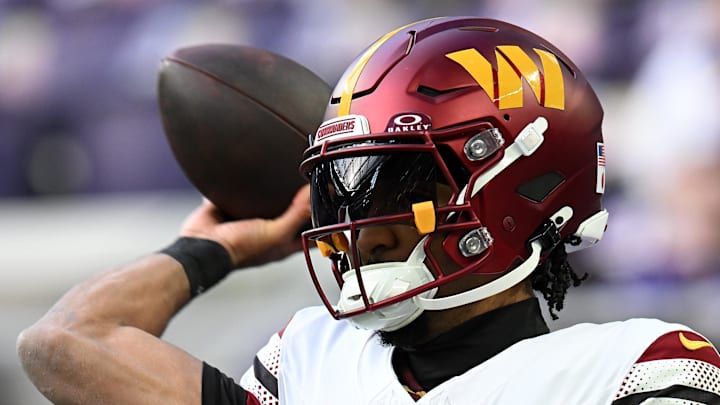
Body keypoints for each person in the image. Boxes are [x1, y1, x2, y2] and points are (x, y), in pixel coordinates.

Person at [17, 17, 720, 405]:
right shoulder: (313, 359)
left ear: (517, 188)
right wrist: (214, 250)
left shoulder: (636, 370)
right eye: (341, 189)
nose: (354, 226)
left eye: (392, 186)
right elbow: (64, 343)